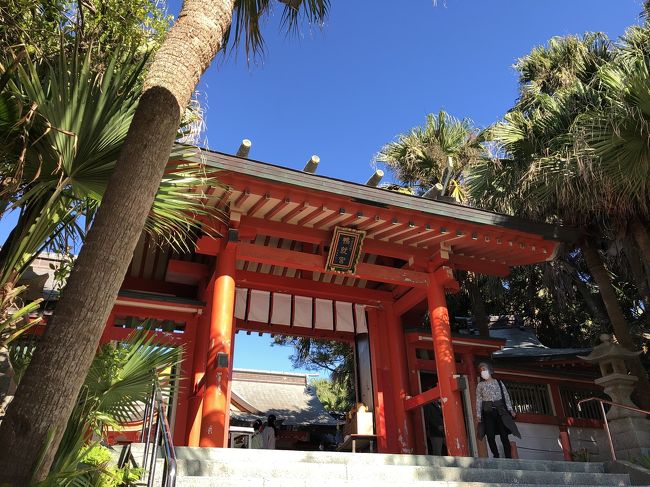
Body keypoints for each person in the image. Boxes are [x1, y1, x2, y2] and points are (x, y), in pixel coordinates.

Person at [475, 361, 521, 458]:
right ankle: (496, 455)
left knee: (504, 435)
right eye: (481, 370)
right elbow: (478, 400)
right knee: (490, 436)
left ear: (490, 370)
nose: (482, 372)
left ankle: (508, 456)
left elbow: (506, 396)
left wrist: (510, 409)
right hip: (487, 412)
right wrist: (478, 414)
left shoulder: (499, 383)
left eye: (484, 369)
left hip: (500, 410)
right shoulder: (480, 385)